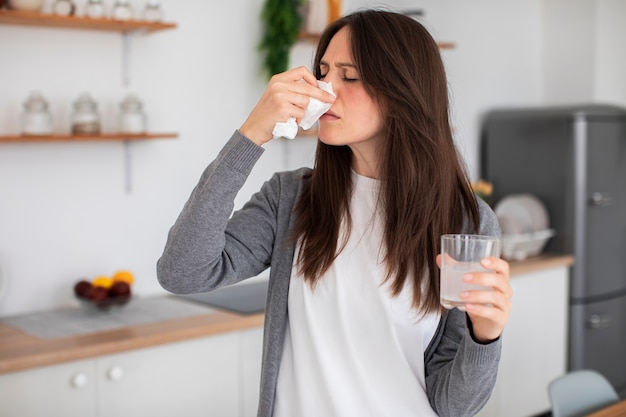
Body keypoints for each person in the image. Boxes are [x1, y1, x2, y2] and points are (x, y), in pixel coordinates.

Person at [157, 9, 513, 417]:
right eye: (322, 72)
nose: (325, 89)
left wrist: (485, 336)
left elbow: (454, 406)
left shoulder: (465, 221)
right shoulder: (291, 199)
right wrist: (251, 135)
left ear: (403, 92)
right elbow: (182, 271)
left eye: (350, 76)